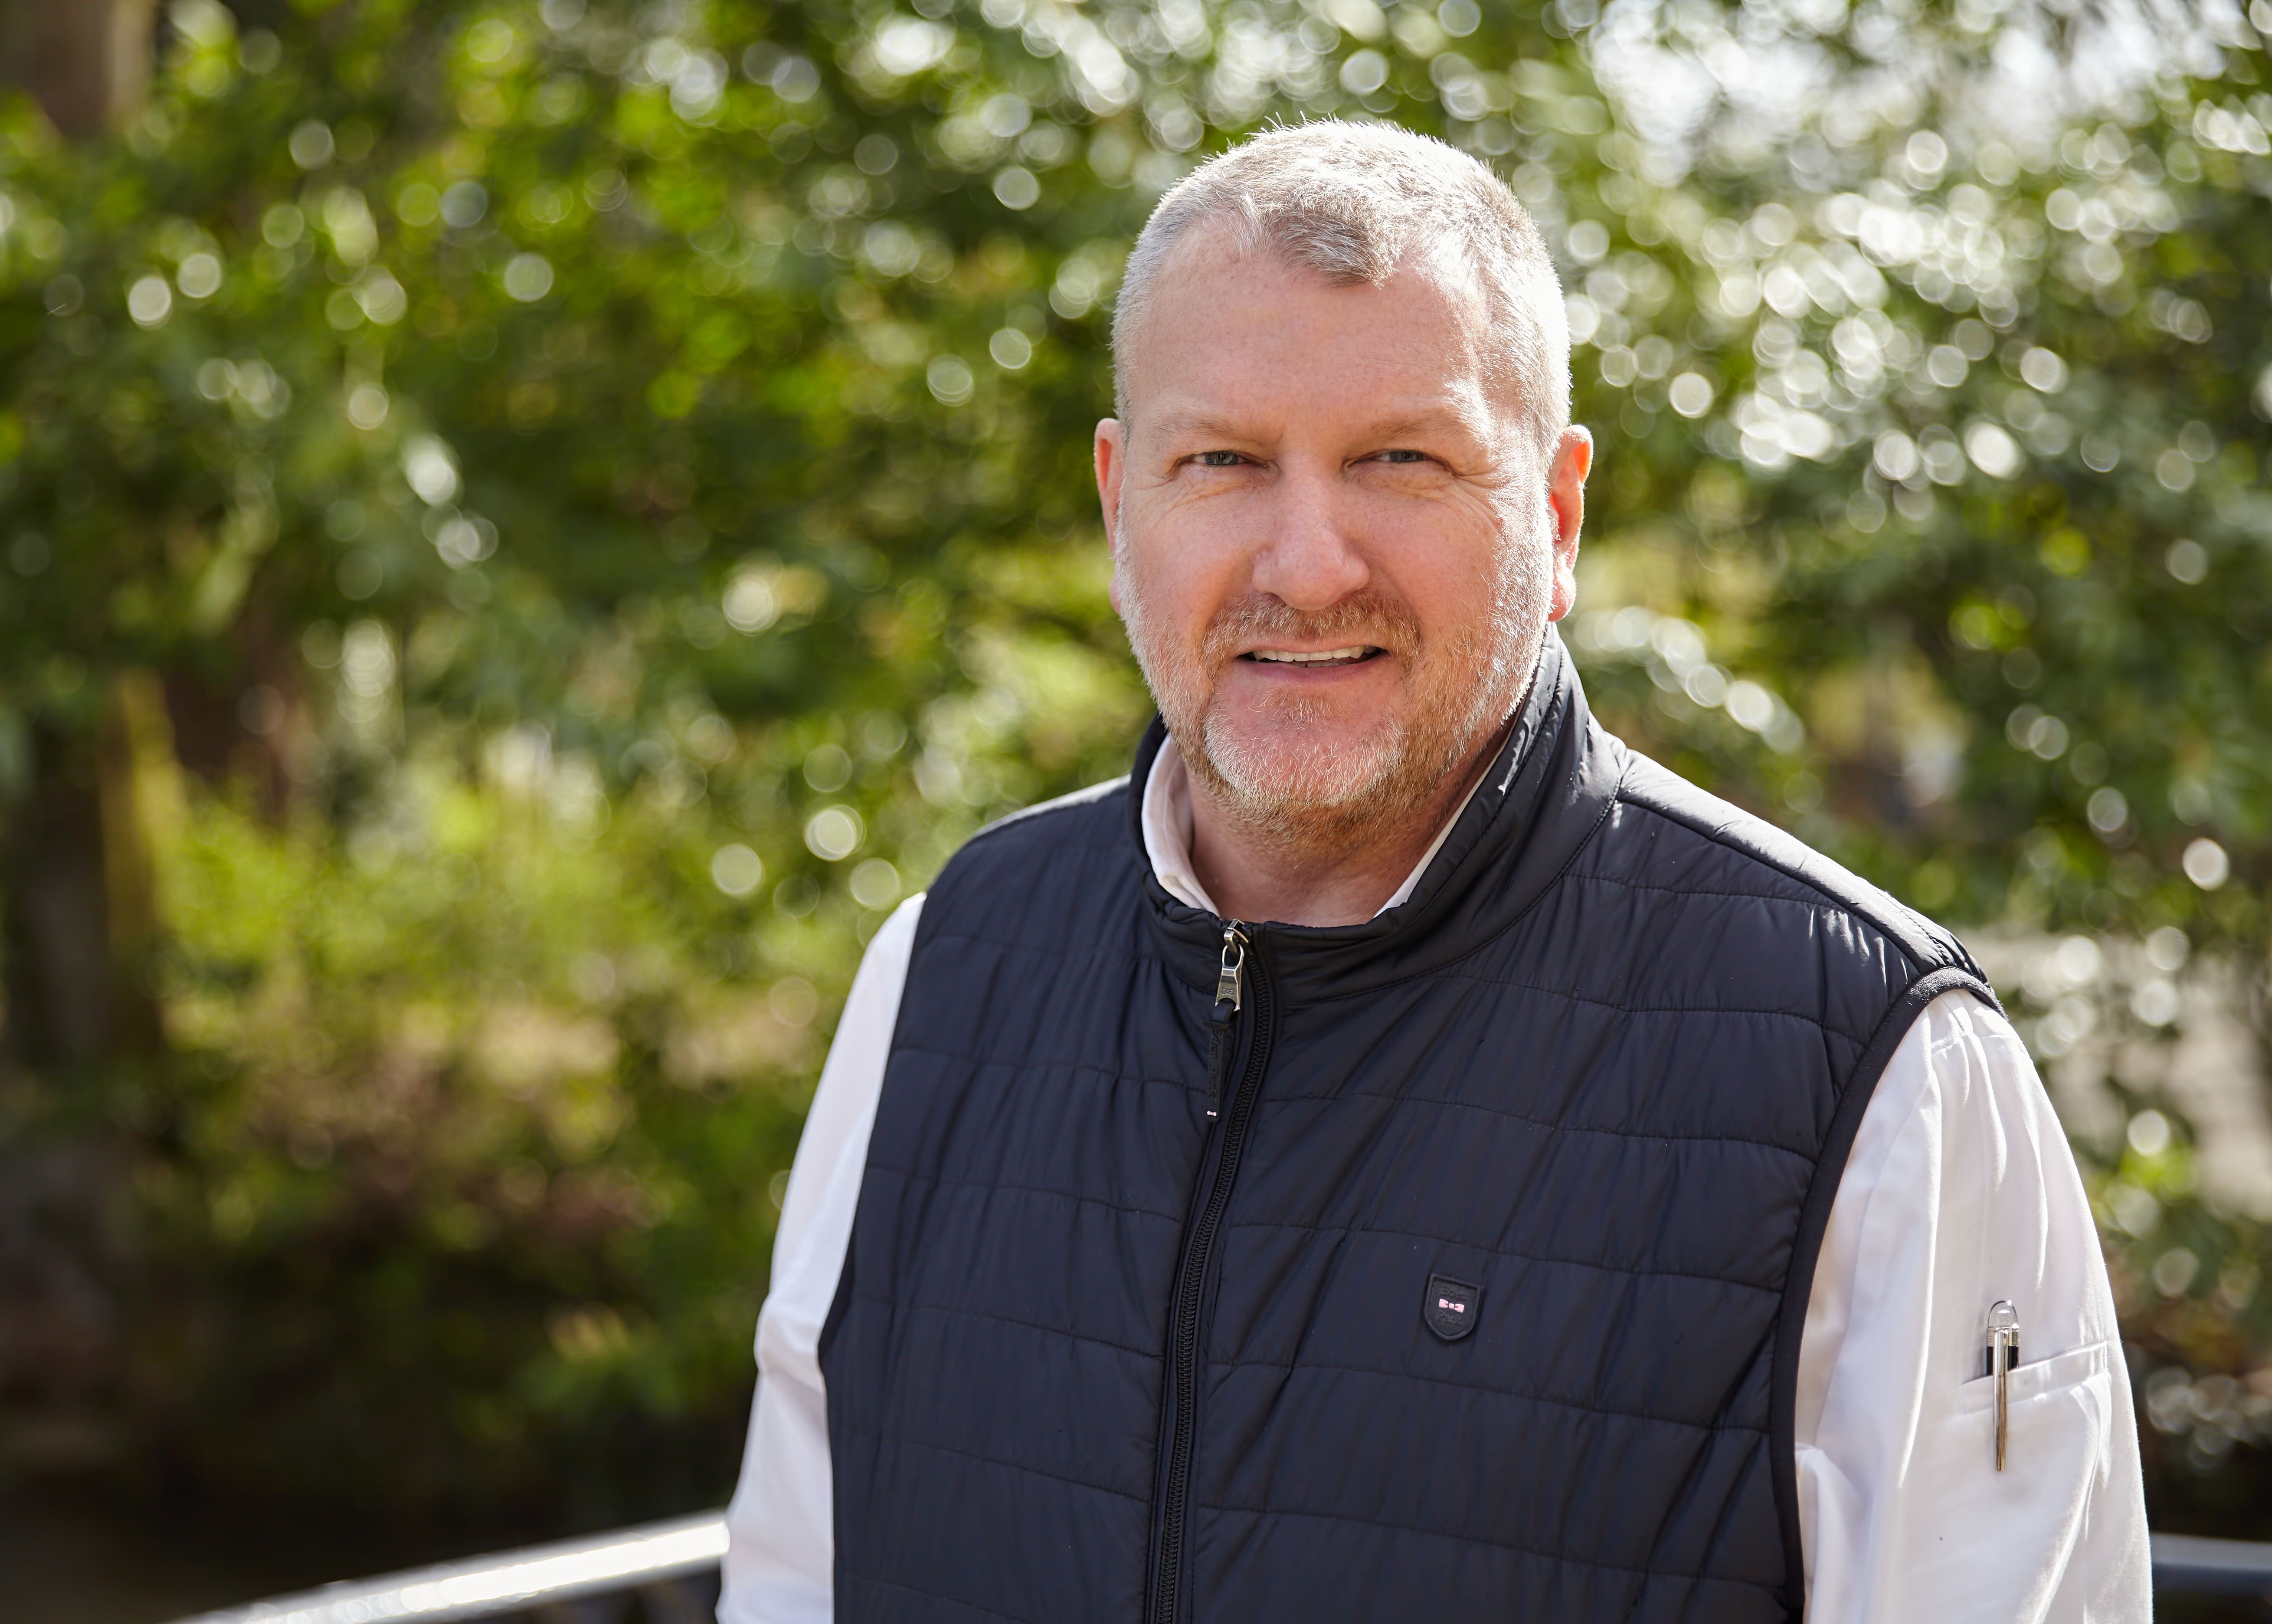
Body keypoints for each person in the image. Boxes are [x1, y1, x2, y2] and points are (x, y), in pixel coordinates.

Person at [719, 120, 2147, 1622]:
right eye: (1223, 462)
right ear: (1120, 501)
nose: (1308, 565)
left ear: (1557, 513)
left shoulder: (1873, 1062)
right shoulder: (944, 969)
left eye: (1401, 459)